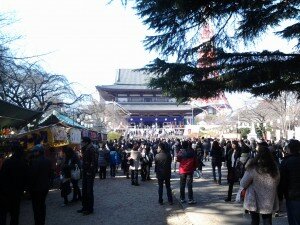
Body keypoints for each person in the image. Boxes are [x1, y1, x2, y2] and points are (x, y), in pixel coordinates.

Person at [240, 142, 280, 225]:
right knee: (267, 220)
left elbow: (243, 183)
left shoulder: (253, 167)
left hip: (254, 198)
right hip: (269, 198)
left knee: (255, 221)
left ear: (258, 155)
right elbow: (277, 181)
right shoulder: (274, 167)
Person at [0, 143, 28, 225]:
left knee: (3, 214)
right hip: (17, 193)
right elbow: (25, 179)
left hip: (5, 193)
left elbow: (2, 177)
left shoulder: (7, 162)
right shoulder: (23, 163)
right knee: (15, 215)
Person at [28, 144, 52, 225]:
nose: (34, 153)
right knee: (42, 205)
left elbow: (32, 176)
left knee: (36, 207)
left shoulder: (35, 162)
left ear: (38, 152)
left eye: (35, 151)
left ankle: (38, 222)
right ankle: (42, 221)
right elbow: (50, 174)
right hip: (45, 187)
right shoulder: (48, 160)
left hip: (36, 188)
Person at [279, 139, 300, 225]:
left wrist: (280, 196)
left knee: (293, 220)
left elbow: (282, 180)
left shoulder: (286, 161)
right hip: (293, 193)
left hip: (291, 195)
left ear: (290, 149)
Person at [77, 137, 96, 215]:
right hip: (85, 171)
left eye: (83, 142)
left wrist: (90, 172)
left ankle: (89, 209)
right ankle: (84, 207)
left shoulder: (92, 149)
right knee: (84, 190)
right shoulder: (85, 149)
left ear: (86, 142)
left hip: (89, 173)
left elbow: (94, 162)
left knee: (89, 191)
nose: (82, 143)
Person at [177, 140, 197, 204]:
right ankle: (190, 199)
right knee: (189, 185)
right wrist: (194, 167)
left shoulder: (180, 152)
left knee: (182, 185)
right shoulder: (192, 151)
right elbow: (195, 161)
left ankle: (182, 198)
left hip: (182, 170)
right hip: (190, 170)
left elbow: (178, 159)